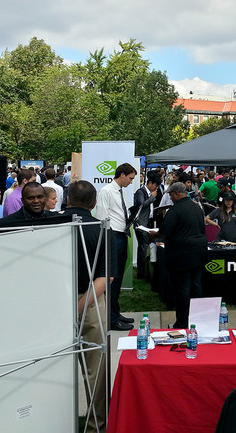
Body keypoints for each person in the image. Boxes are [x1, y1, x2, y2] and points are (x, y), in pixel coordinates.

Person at [62, 180, 109, 432]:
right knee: (96, 373)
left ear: (67, 200)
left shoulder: (51, 226)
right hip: (90, 304)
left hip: (50, 304)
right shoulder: (100, 229)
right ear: (93, 203)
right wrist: (80, 306)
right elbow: (105, 277)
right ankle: (96, 427)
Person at [152, 182, 207, 328]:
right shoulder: (197, 207)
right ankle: (198, 320)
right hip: (198, 252)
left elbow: (164, 231)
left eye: (171, 194)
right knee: (196, 286)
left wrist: (153, 234)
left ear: (176, 194)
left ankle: (182, 322)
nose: (170, 197)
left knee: (182, 289)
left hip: (182, 254)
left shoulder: (175, 210)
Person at [94, 162, 136, 331]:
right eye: (130, 178)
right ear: (122, 174)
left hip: (121, 233)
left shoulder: (121, 191)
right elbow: (102, 216)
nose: (131, 181)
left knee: (117, 278)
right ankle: (110, 318)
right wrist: (108, 240)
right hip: (112, 235)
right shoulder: (106, 191)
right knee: (112, 278)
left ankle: (115, 313)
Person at [133, 171, 160, 280]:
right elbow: (141, 205)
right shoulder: (141, 192)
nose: (156, 188)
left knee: (147, 246)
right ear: (151, 183)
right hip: (141, 224)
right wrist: (152, 198)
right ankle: (141, 273)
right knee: (143, 247)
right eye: (156, 185)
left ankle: (146, 271)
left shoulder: (148, 193)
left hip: (148, 222)